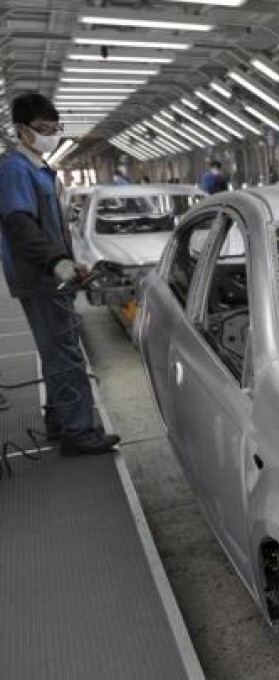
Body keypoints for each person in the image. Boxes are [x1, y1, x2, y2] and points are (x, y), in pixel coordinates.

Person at [0, 93, 120, 455]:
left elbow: (50, 228)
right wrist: (55, 262)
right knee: (66, 354)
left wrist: (70, 261)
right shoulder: (15, 170)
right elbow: (20, 225)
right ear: (22, 131)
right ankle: (78, 432)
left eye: (55, 128)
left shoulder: (39, 168)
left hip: (54, 275)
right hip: (41, 278)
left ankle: (60, 421)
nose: (51, 134)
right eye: (43, 129)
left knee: (57, 351)